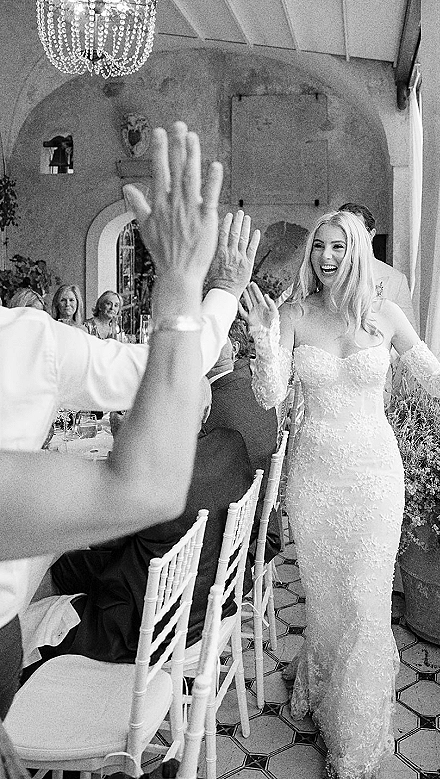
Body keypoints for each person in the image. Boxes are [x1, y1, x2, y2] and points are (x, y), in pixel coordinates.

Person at [0, 122, 259, 726]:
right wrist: (196, 283)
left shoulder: (27, 337)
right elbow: (146, 479)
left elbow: (162, 370)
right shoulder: (23, 338)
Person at [242, 210, 440, 779]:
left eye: (336, 247)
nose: (325, 258)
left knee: (365, 602)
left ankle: (355, 740)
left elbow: (434, 383)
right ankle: (325, 686)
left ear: (357, 251)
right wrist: (264, 339)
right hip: (313, 480)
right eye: (318, 249)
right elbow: (270, 396)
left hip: (376, 479)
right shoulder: (292, 315)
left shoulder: (385, 317)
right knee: (328, 603)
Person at [36, 380, 255, 665]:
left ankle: (52, 675)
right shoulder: (232, 444)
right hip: (209, 600)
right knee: (66, 565)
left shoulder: (152, 475)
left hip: (145, 628)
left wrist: (124, 446)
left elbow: (99, 536)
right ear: (206, 411)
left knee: (45, 577)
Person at [202, 325, 280, 561]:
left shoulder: (213, 403)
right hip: (260, 516)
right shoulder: (254, 386)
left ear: (234, 349)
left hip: (229, 534)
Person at [338, 201, 417, 329]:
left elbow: (409, 330)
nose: (351, 237)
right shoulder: (325, 272)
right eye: (344, 231)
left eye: (357, 230)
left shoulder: (395, 280)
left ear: (371, 234)